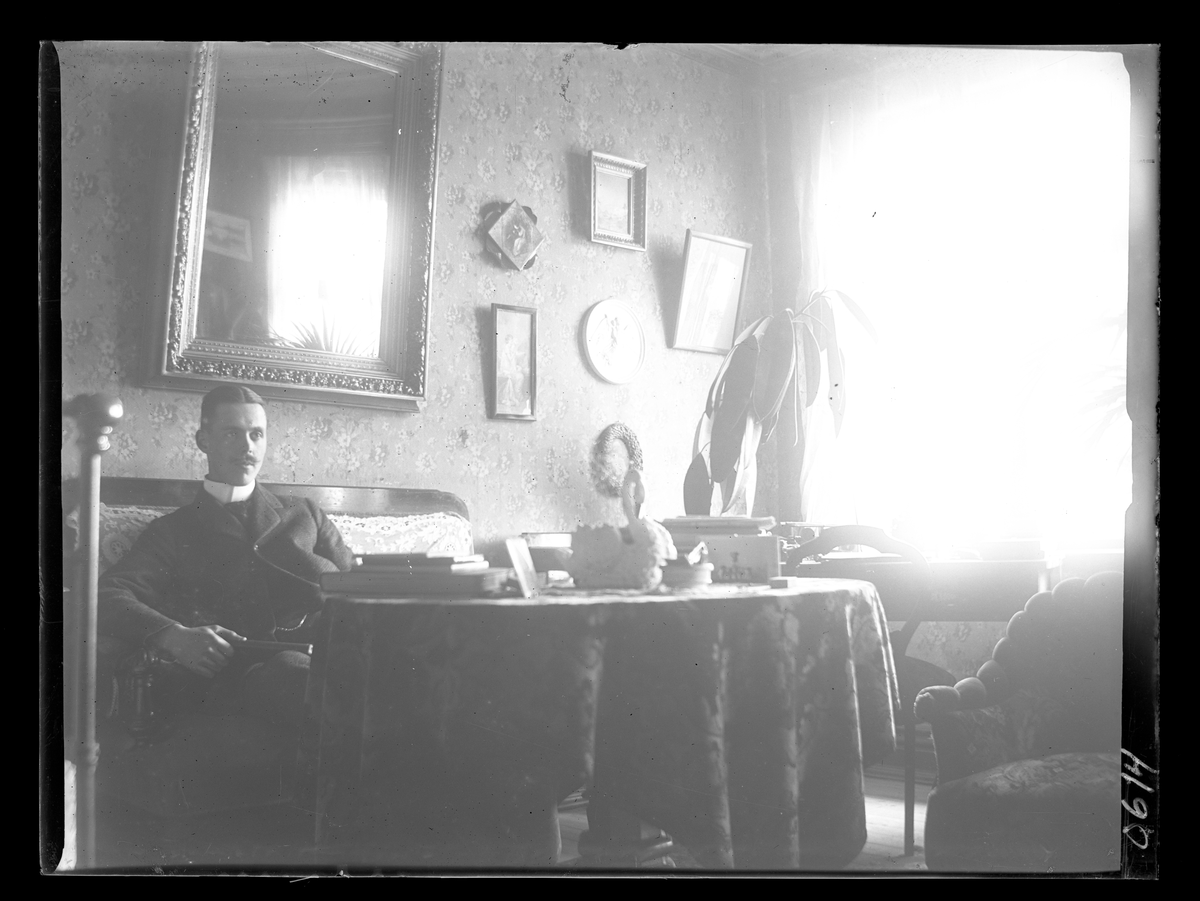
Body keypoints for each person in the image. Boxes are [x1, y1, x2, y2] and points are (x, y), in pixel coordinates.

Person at [97, 384, 354, 733]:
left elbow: (358, 585)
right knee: (301, 680)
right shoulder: (173, 531)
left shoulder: (304, 513)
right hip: (248, 675)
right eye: (232, 434)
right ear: (204, 441)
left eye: (256, 434)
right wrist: (173, 635)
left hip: (334, 655)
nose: (247, 447)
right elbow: (107, 595)